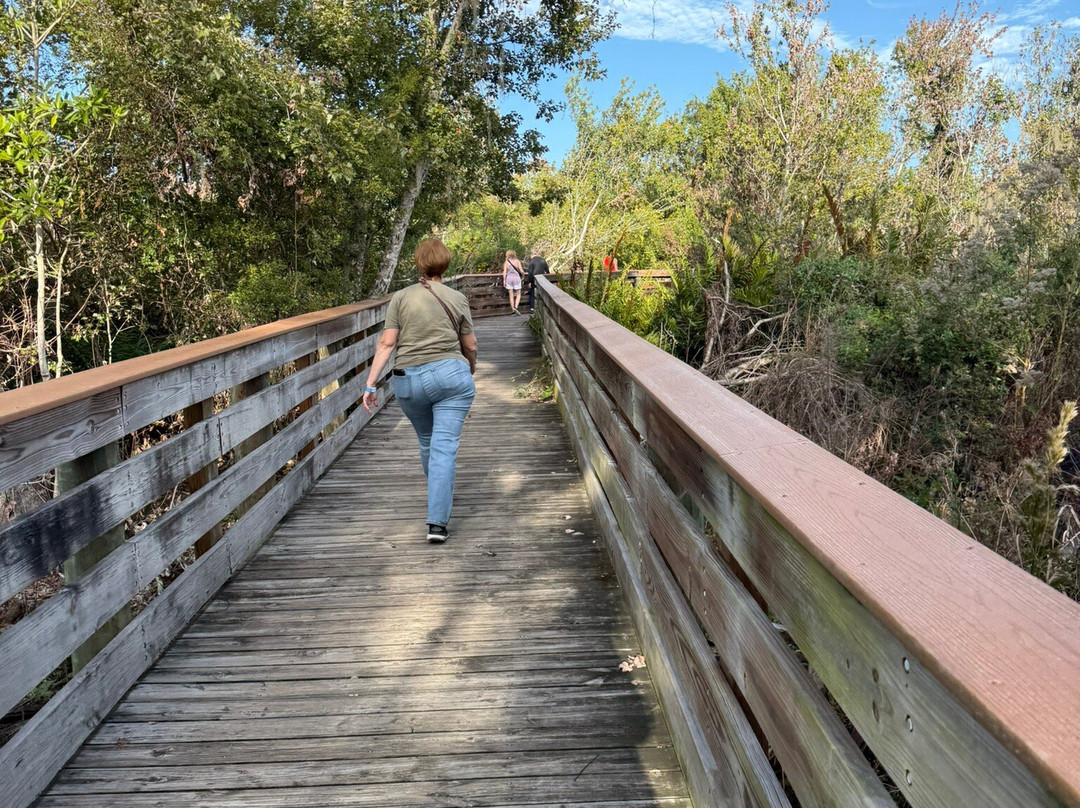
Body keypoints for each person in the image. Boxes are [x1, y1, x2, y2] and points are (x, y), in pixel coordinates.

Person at [363, 238, 478, 544]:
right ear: (445, 264)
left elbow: (387, 343)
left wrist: (370, 384)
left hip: (409, 381)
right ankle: (437, 523)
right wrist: (471, 367)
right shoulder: (456, 298)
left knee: (428, 443)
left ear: (419, 264)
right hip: (451, 377)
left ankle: (437, 493)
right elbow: (471, 345)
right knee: (444, 448)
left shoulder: (401, 297)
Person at [503, 249, 525, 314]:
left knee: (511, 295)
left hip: (509, 279)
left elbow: (504, 272)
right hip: (516, 279)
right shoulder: (517, 261)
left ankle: (512, 309)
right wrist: (523, 276)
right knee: (518, 294)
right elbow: (521, 271)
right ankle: (516, 307)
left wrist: (504, 280)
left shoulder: (506, 262)